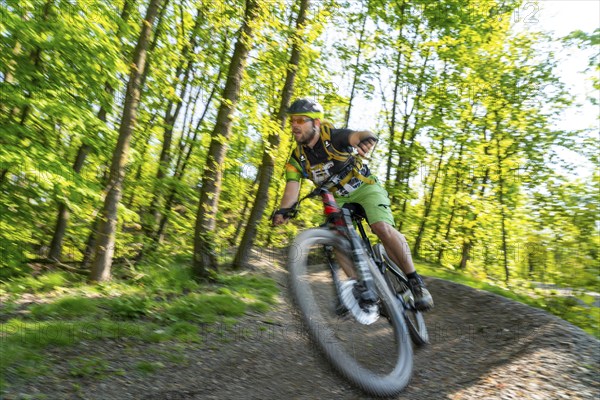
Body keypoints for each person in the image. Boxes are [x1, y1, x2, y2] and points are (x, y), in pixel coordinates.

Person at [272, 98, 434, 311]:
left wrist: (367, 138)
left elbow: (358, 135)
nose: (295, 125)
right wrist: (284, 210)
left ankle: (416, 283)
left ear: (317, 124)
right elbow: (291, 188)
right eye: (293, 120)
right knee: (336, 237)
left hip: (365, 188)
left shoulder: (334, 138)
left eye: (301, 120)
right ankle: (363, 288)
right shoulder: (296, 158)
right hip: (336, 199)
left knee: (381, 227)